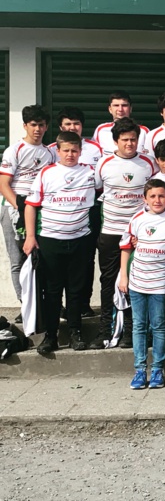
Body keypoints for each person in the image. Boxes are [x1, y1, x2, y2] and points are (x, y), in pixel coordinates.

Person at [23, 131, 97, 354]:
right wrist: (30, 236)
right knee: (52, 291)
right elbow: (31, 205)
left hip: (80, 240)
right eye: (66, 150)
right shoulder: (46, 173)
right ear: (58, 151)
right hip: (50, 240)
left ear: (80, 151)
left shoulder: (91, 173)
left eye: (74, 150)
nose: (70, 154)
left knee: (76, 290)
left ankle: (75, 333)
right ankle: (51, 336)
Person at [90, 118, 156, 350]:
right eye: (125, 139)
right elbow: (97, 190)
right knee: (108, 282)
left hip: (138, 235)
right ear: (115, 141)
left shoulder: (148, 164)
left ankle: (131, 331)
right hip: (110, 232)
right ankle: (105, 330)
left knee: (134, 283)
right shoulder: (104, 163)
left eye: (133, 139)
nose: (130, 144)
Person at [119, 179, 165, 390]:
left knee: (160, 326)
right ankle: (139, 370)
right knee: (139, 326)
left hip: (160, 284)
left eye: (161, 196)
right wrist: (123, 277)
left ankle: (157, 370)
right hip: (137, 282)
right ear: (144, 198)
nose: (157, 200)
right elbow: (126, 247)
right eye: (152, 196)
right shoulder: (137, 219)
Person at [48, 107, 103, 318]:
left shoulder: (95, 148)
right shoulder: (51, 150)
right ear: (61, 127)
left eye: (76, 123)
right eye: (68, 124)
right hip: (58, 214)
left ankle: (83, 303)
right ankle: (60, 306)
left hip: (89, 210)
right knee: (59, 264)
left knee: (86, 259)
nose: (73, 127)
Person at [0, 105, 53, 323]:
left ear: (46, 127)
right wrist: (20, 207)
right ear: (25, 126)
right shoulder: (14, 150)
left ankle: (44, 304)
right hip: (14, 208)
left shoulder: (50, 152)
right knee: (18, 260)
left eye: (41, 125)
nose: (37, 129)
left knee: (42, 259)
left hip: (40, 211)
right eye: (33, 125)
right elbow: (3, 184)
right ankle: (25, 306)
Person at [93, 91, 149, 156]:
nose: (120, 109)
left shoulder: (144, 131)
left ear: (130, 108)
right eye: (116, 105)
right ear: (110, 109)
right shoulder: (101, 130)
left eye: (124, 105)